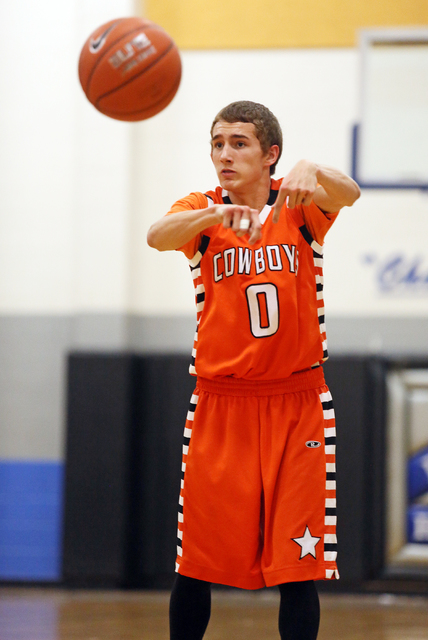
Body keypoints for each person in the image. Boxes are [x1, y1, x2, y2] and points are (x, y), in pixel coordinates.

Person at [147, 100, 360, 640]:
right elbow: (158, 234)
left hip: (298, 403)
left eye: (238, 143)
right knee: (195, 563)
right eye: (217, 143)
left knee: (299, 566)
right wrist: (214, 217)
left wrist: (315, 169)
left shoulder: (298, 203)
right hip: (222, 403)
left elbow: (349, 193)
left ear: (271, 155)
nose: (224, 154)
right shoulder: (201, 210)